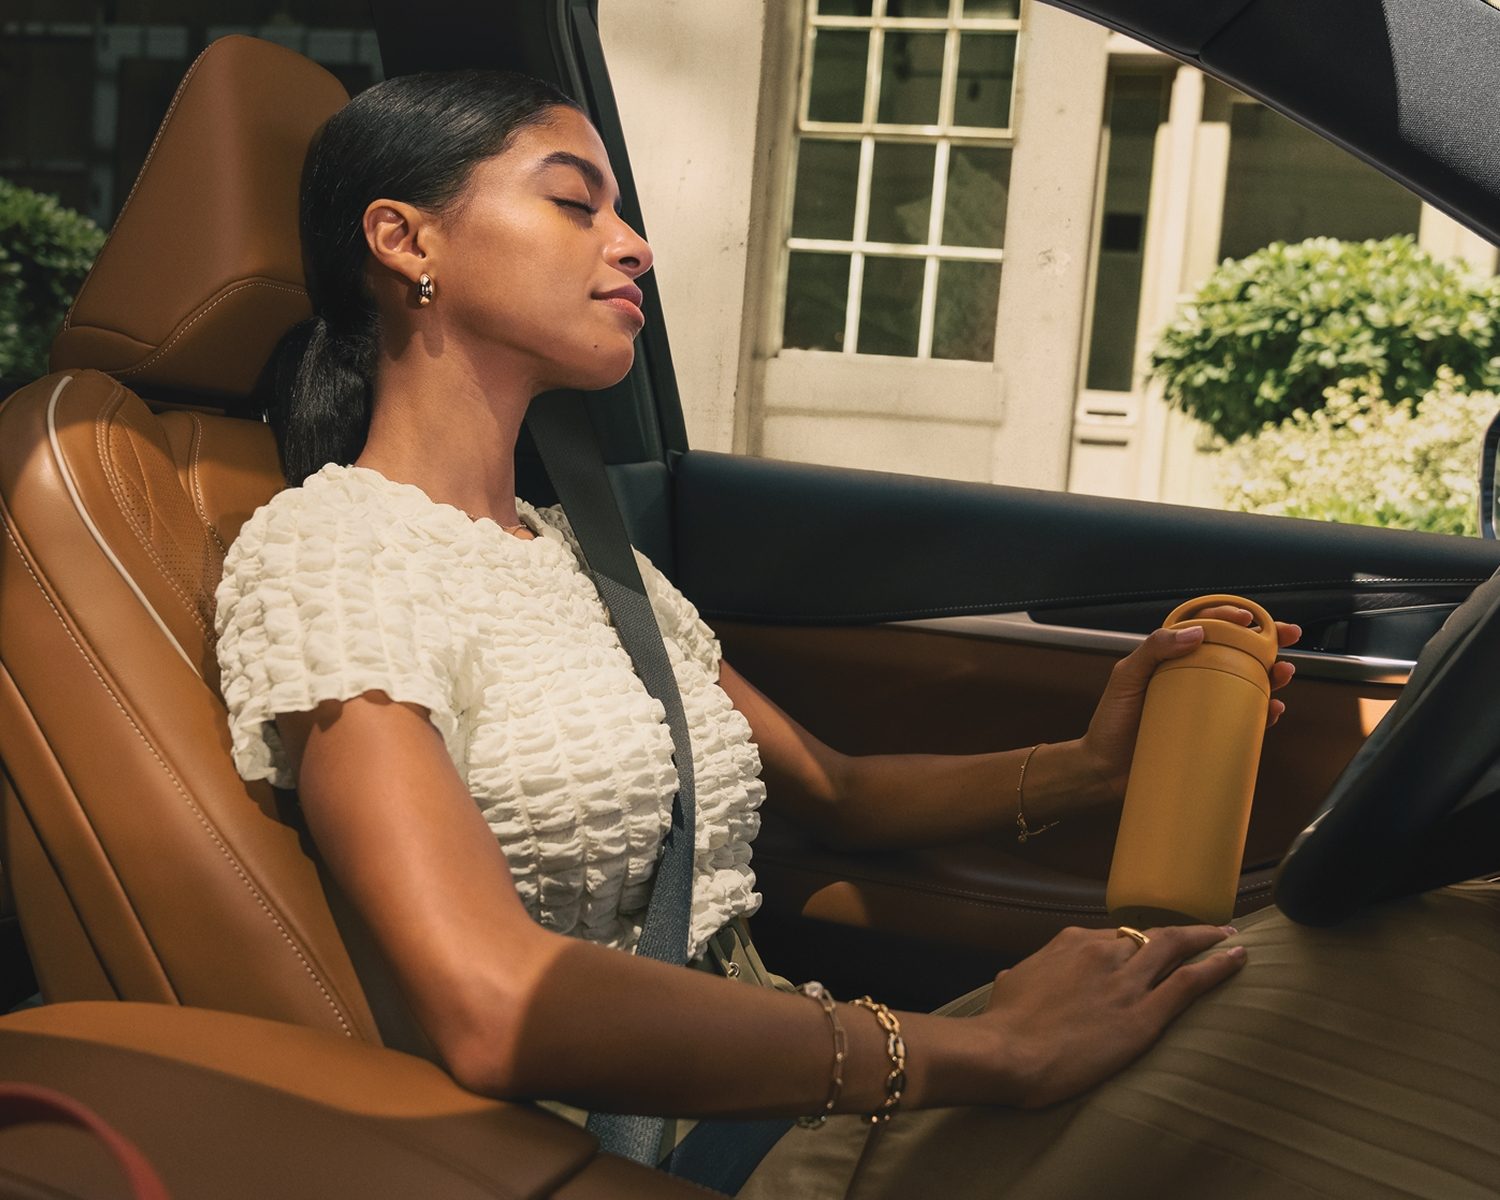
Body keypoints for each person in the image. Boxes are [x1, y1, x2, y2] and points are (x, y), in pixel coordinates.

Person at [213, 69, 1500, 1198]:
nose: (636, 243)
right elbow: (492, 1008)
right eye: (576, 201)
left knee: (1407, 944)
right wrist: (985, 1054)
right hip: (661, 1150)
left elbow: (838, 791)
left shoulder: (579, 555)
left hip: (812, 1073)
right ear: (404, 238)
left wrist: (1097, 764)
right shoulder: (333, 558)